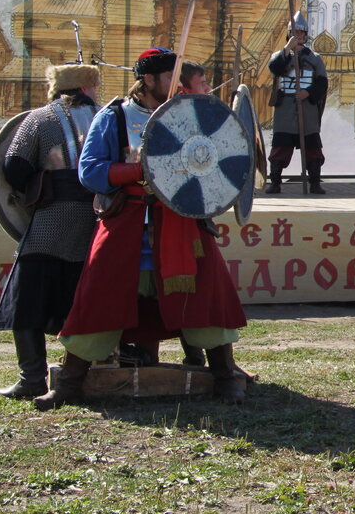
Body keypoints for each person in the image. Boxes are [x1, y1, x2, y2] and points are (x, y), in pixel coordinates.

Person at [35, 48, 249, 410]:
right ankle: (69, 383)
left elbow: (216, 159)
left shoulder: (190, 114)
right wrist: (140, 169)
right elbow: (91, 173)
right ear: (148, 80)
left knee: (207, 293)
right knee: (99, 295)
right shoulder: (115, 117)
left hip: (181, 220)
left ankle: (226, 376)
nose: (177, 85)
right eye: (169, 77)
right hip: (128, 219)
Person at [0, 63, 100, 399]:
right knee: (92, 301)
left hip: (51, 221)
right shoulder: (109, 118)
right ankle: (90, 374)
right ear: (85, 87)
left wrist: (37, 190)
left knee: (27, 299)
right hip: (100, 221)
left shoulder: (39, 119)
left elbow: (14, 165)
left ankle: (32, 378)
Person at [266, 12, 329, 195]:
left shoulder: (314, 57)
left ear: (305, 34)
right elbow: (275, 69)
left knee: (313, 148)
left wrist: (308, 92)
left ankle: (315, 183)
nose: (298, 35)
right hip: (285, 108)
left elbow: (322, 82)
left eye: (301, 32)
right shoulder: (279, 55)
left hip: (307, 108)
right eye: (295, 32)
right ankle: (275, 183)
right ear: (289, 33)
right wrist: (287, 49)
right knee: (280, 148)